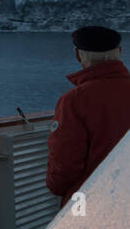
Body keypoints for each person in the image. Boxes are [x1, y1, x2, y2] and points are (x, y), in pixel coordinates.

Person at [46, 25, 130, 205]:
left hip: (89, 201)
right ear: (119, 52)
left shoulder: (74, 101)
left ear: (78, 55)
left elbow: (65, 164)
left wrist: (56, 188)